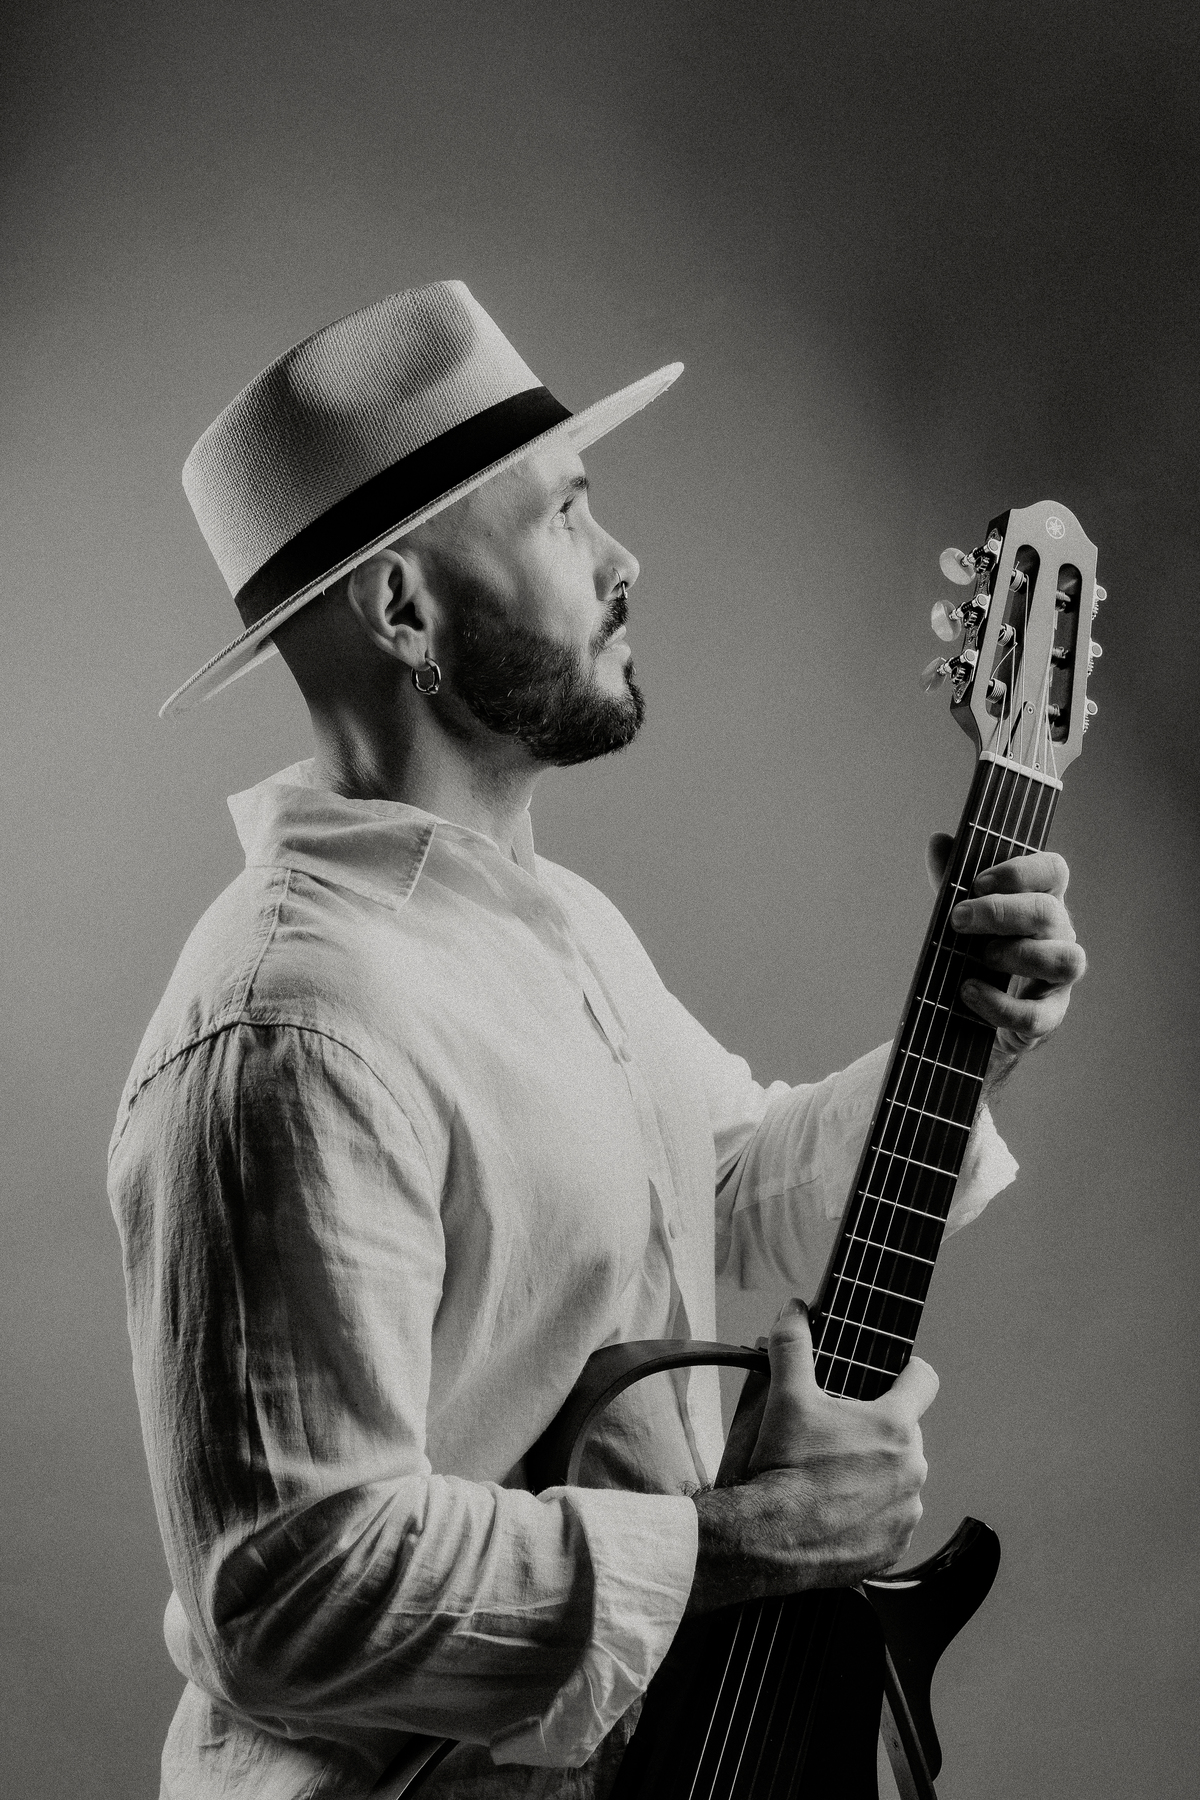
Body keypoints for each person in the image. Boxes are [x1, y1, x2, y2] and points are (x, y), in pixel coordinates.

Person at [108, 281, 1086, 1800]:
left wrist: (967, 1045)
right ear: (405, 610)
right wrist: (734, 1544)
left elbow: (722, 1193)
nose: (624, 561)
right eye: (564, 516)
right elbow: (295, 1593)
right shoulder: (292, 1030)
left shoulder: (551, 923)